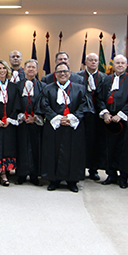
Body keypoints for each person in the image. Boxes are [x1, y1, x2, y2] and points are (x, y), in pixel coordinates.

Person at [38, 62, 90, 192]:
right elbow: (44, 105)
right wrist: (57, 118)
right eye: (59, 72)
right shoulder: (47, 88)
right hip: (54, 127)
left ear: (70, 74)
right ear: (55, 74)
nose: (62, 74)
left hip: (73, 127)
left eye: (65, 72)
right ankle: (53, 180)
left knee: (74, 154)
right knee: (52, 153)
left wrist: (72, 118)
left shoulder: (80, 88)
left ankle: (72, 181)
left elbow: (84, 105)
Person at [97, 55, 128, 188]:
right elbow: (99, 98)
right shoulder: (106, 79)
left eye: (122, 63)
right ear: (113, 65)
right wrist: (105, 113)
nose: (120, 65)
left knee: (124, 149)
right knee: (109, 147)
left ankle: (123, 177)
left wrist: (121, 114)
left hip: (125, 120)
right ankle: (111, 174)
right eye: (117, 63)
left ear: (126, 65)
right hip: (109, 120)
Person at [15, 59, 45, 185]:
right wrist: (21, 116)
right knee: (21, 148)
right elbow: (13, 103)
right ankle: (21, 174)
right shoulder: (16, 86)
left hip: (35, 123)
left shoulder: (42, 86)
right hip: (21, 123)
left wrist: (36, 117)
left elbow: (44, 104)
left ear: (37, 70)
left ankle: (34, 175)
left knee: (35, 148)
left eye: (33, 67)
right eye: (29, 67)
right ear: (24, 69)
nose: (31, 69)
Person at [77, 52, 105, 181]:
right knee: (81, 142)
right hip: (83, 115)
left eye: (95, 60)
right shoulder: (77, 77)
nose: (93, 62)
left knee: (96, 142)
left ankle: (93, 169)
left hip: (98, 116)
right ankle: (80, 168)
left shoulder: (105, 78)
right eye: (90, 60)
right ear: (86, 62)